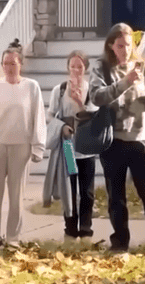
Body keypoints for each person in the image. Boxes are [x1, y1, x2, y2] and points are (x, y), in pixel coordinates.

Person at [89, 23, 145, 253]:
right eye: (120, 46)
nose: (125, 50)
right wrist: (124, 83)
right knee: (116, 196)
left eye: (128, 45)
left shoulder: (143, 67)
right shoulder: (101, 67)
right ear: (111, 45)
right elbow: (96, 96)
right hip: (113, 140)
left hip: (141, 139)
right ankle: (120, 244)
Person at [0, 39, 47, 246]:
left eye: (13, 63)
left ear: (20, 64)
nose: (9, 67)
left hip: (20, 146)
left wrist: (38, 147)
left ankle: (13, 238)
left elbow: (38, 117)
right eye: (5, 63)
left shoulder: (31, 87)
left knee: (16, 195)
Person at [43, 50, 99, 242]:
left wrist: (78, 101)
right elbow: (50, 115)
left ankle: (86, 230)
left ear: (86, 68)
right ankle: (70, 229)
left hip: (86, 146)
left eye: (80, 66)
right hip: (67, 146)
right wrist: (62, 127)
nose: (76, 70)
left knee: (87, 192)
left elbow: (93, 116)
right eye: (73, 66)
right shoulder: (59, 90)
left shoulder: (91, 89)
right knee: (69, 190)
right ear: (68, 67)